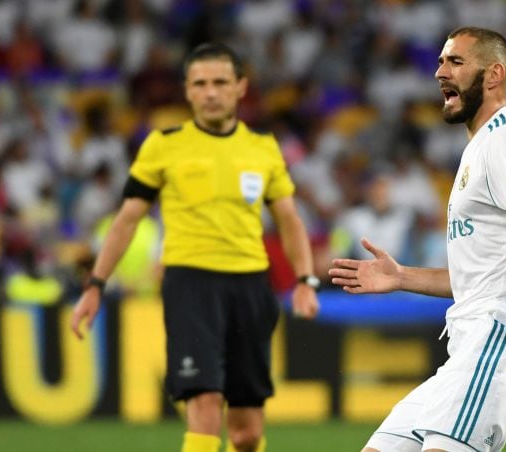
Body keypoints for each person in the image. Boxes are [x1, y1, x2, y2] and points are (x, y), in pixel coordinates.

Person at [329, 27, 506, 452]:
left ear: (494, 75)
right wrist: (402, 275)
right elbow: (480, 276)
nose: (440, 71)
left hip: (498, 341)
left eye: (456, 62)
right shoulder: (476, 148)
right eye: (441, 61)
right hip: (464, 351)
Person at [69, 42, 320, 452]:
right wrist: (95, 283)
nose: (210, 92)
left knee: (246, 433)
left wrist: (305, 279)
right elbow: (127, 219)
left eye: (220, 82)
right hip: (190, 284)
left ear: (240, 87)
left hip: (251, 286)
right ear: (186, 90)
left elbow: (289, 219)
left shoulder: (262, 147)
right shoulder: (163, 145)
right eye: (200, 83)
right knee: (203, 403)